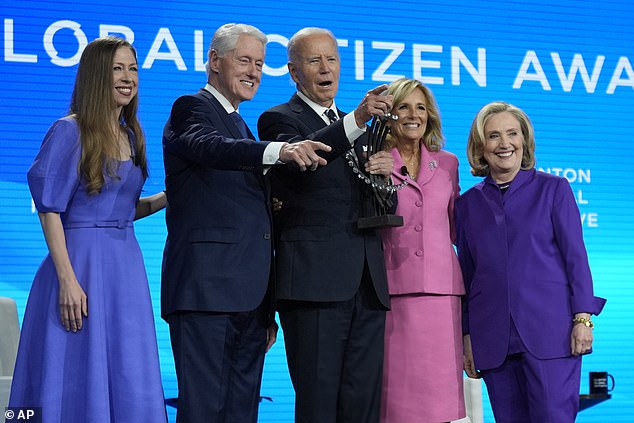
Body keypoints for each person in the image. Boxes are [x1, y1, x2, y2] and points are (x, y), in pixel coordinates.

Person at [161, 23, 331, 423]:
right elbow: (209, 147)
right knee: (203, 410)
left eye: (259, 63)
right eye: (244, 61)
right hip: (207, 293)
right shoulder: (192, 108)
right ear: (214, 61)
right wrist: (282, 150)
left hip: (249, 301)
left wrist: (267, 306)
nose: (254, 71)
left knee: (241, 413)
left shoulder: (240, 123)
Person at [8, 36, 167, 422]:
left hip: (124, 271)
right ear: (97, 75)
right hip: (78, 266)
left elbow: (124, 210)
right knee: (72, 371)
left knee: (128, 366)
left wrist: (170, 196)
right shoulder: (69, 131)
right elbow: (51, 210)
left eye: (132, 68)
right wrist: (67, 279)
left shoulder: (132, 136)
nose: (128, 77)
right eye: (117, 68)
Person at [257, 27, 395, 423]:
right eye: (314, 60)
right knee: (319, 403)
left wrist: (387, 177)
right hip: (315, 286)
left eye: (331, 59)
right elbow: (307, 162)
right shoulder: (278, 120)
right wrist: (358, 119)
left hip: (368, 285)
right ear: (294, 72)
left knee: (363, 405)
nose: (325, 68)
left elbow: (378, 198)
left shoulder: (360, 128)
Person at [455, 101, 606, 422]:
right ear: (481, 147)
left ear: (524, 141)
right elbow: (466, 275)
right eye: (494, 136)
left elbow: (576, 259)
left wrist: (583, 319)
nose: (504, 143)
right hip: (493, 341)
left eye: (512, 134)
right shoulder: (467, 205)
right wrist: (467, 336)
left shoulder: (553, 189)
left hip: (551, 336)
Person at [379, 78, 465, 423]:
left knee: (439, 405)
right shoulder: (374, 160)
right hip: (392, 293)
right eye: (403, 107)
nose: (413, 115)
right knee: (396, 406)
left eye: (420, 107)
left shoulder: (448, 163)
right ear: (389, 114)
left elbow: (456, 226)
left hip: (442, 298)